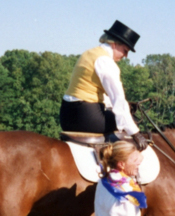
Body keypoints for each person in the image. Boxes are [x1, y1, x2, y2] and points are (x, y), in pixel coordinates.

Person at [60, 20, 148, 151]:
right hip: (84, 116)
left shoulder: (90, 53)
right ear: (114, 44)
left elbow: (99, 94)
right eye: (125, 50)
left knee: (122, 118)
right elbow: (118, 100)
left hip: (66, 114)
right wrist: (135, 133)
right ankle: (118, 164)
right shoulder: (105, 61)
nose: (126, 55)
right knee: (129, 123)